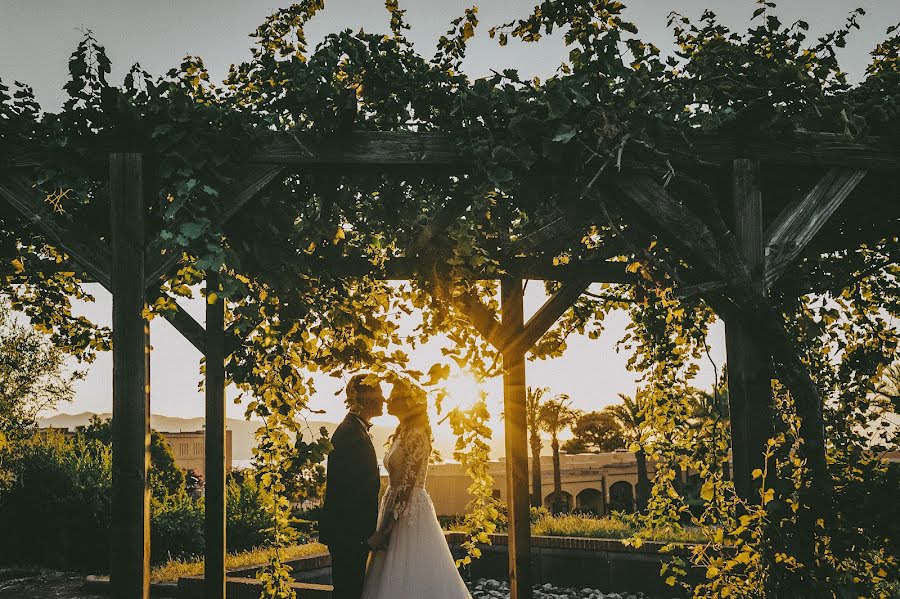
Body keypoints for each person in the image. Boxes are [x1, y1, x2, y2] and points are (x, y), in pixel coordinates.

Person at [361, 380, 472, 599]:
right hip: (392, 502)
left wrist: (387, 528)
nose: (388, 400)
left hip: (408, 509)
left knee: (408, 567)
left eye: (394, 396)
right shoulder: (403, 432)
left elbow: (407, 485)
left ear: (409, 403)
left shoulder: (417, 435)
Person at [320, 374, 385, 599]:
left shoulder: (354, 429)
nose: (384, 399)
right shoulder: (349, 433)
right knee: (348, 592)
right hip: (348, 536)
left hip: (349, 535)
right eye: (380, 393)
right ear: (366, 399)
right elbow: (349, 492)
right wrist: (363, 536)